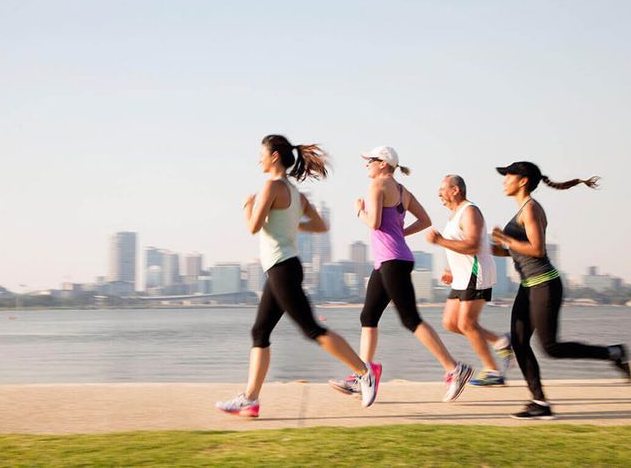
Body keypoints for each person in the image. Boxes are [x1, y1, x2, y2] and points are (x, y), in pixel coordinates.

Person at [215, 135, 382, 418]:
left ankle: (364, 373)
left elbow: (253, 227)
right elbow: (320, 225)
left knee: (312, 329)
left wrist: (247, 206)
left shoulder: (271, 186)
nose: (259, 159)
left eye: (261, 154)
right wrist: (292, 225)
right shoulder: (296, 193)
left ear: (274, 156)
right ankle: (250, 400)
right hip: (283, 266)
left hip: (282, 267)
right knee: (260, 331)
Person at [491, 161, 631, 420]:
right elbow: (512, 250)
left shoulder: (531, 209)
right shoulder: (520, 212)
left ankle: (614, 353)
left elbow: (538, 250)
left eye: (508, 176)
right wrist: (483, 247)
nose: (504, 181)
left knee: (550, 347)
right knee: (519, 341)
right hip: (528, 286)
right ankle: (539, 402)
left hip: (545, 284)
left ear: (523, 180)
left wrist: (506, 239)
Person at [329, 146, 473, 402]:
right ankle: (365, 373)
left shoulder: (377, 186)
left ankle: (454, 368)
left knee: (410, 319)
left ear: (383, 164)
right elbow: (426, 220)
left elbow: (373, 222)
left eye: (371, 161)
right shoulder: (403, 191)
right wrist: (399, 235)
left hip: (392, 261)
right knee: (368, 315)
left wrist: (358, 211)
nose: (367, 165)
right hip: (392, 259)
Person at [425, 175, 514, 387]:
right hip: (462, 277)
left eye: (442, 190)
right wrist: (451, 270)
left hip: (477, 274)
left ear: (455, 190)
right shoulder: (454, 215)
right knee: (451, 322)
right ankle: (501, 341)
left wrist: (439, 240)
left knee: (466, 323)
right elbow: (464, 248)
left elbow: (473, 246)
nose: (439, 195)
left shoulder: (470, 211)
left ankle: (493, 370)